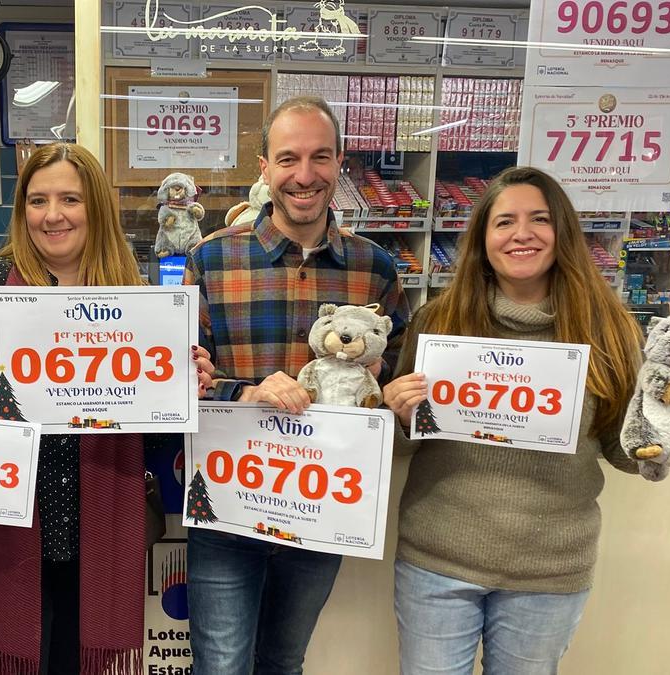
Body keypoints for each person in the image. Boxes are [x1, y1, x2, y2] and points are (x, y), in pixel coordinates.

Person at [381, 165, 670, 674]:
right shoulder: (439, 322)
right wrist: (396, 412)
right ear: (482, 239)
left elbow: (620, 448)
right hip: (437, 560)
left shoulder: (607, 328)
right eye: (504, 222)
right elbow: (404, 443)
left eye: (538, 219)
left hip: (549, 570)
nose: (521, 234)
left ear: (561, 232)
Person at [0, 142, 215, 675]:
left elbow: (155, 436)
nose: (53, 215)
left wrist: (184, 388)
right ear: (23, 212)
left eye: (70, 198)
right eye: (37, 201)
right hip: (12, 522)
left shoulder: (133, 297)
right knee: (21, 656)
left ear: (96, 210)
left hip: (101, 521)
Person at [183, 96, 410, 674]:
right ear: (264, 166)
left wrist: (387, 397)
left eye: (319, 158)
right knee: (221, 665)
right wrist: (245, 392)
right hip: (228, 503)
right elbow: (179, 381)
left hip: (322, 509)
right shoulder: (211, 260)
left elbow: (395, 388)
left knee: (283, 662)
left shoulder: (375, 268)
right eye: (287, 159)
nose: (304, 175)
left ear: (340, 164)